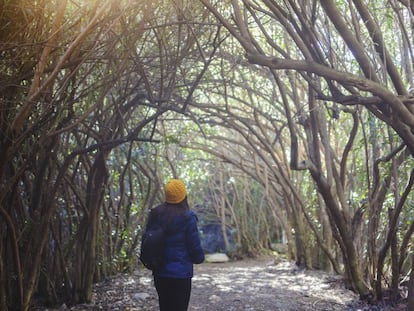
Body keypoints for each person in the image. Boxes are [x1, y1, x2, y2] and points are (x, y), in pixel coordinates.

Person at [145, 179, 205, 311]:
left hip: (160, 272)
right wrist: (199, 258)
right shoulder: (188, 217)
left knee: (165, 307)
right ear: (183, 196)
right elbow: (194, 247)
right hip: (181, 274)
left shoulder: (156, 213)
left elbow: (148, 239)